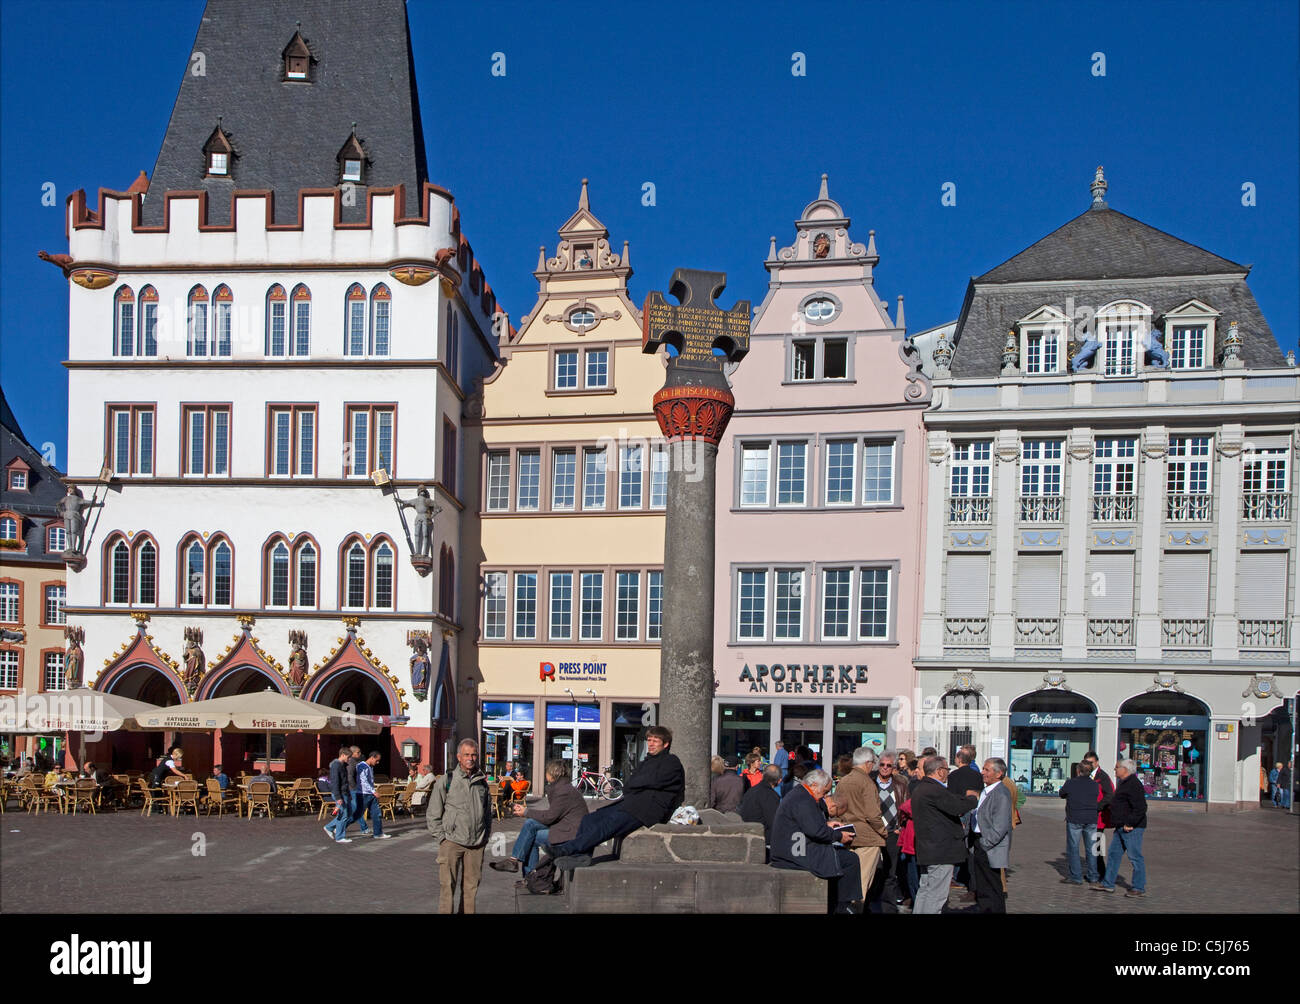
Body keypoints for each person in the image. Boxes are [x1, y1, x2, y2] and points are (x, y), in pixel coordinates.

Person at [548, 726, 683, 861]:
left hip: (646, 810)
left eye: (656, 741)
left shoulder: (671, 762)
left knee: (607, 826)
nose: (651, 744)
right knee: (589, 819)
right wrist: (638, 784)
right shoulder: (646, 761)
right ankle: (581, 857)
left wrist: (637, 784)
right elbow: (630, 784)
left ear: (665, 744)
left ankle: (565, 849)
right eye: (649, 740)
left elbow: (651, 781)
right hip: (631, 804)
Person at [769, 768, 861, 913]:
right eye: (824, 792)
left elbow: (810, 825)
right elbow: (816, 831)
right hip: (795, 852)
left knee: (840, 857)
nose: (824, 797)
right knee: (850, 859)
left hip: (794, 848)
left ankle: (840, 903)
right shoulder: (803, 799)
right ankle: (842, 906)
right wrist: (839, 836)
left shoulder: (800, 794)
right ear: (813, 785)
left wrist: (827, 826)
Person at [489, 759, 587, 876]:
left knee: (533, 837)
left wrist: (526, 812)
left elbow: (550, 817)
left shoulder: (563, 791)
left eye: (546, 771)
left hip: (571, 834)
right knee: (530, 824)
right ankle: (515, 862)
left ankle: (527, 873)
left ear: (552, 773)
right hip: (566, 827)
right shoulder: (563, 788)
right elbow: (553, 814)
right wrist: (526, 812)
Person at [428, 739, 492, 913]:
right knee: (447, 887)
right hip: (451, 842)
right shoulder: (447, 780)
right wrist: (441, 838)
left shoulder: (482, 782)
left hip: (476, 844)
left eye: (473, 754)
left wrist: (485, 836)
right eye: (466, 755)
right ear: (458, 757)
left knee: (471, 889)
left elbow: (487, 813)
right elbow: (433, 812)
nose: (470, 758)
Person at [910, 755, 978, 914]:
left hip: (929, 849)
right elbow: (956, 806)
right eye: (946, 770)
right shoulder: (934, 789)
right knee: (936, 895)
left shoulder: (922, 788)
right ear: (940, 771)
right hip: (940, 851)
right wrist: (972, 798)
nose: (948, 773)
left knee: (926, 890)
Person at [831, 747, 889, 905]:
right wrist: (883, 831)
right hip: (867, 838)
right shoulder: (867, 783)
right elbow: (872, 814)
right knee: (861, 884)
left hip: (848, 834)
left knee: (849, 881)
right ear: (868, 763)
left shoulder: (843, 781)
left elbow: (837, 808)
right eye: (874, 763)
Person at [1094, 759, 1147, 897]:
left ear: (1125, 769)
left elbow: (1141, 808)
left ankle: (1138, 887)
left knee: (1135, 857)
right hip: (1120, 826)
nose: (1114, 769)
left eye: (1117, 767)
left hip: (1131, 827)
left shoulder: (1133, 784)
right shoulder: (1124, 783)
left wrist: (1130, 823)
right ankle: (1108, 883)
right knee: (1113, 854)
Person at [970, 758, 1012, 913]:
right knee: (983, 885)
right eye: (983, 769)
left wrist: (985, 844)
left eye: (987, 770)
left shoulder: (1000, 793)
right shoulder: (986, 790)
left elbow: (1000, 826)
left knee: (992, 885)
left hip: (988, 845)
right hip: (979, 841)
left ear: (998, 773)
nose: (982, 772)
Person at [870, 751, 909, 907]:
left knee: (891, 872)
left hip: (893, 832)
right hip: (874, 832)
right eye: (882, 765)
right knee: (874, 869)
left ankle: (888, 906)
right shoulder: (870, 783)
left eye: (889, 765)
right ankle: (872, 902)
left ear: (893, 768)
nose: (885, 768)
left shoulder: (901, 784)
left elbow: (906, 807)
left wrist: (902, 827)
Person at [1059, 761, 1100, 884]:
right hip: (1091, 819)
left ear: (1078, 771)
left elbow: (1061, 794)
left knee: (1073, 848)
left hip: (1075, 818)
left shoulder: (1071, 783)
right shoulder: (1094, 784)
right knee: (1092, 849)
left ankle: (1076, 876)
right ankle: (1093, 875)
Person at [1082, 751, 1114, 879]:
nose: (1089, 765)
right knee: (1092, 846)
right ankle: (1095, 872)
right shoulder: (1086, 776)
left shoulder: (1103, 776)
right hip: (1089, 816)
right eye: (1086, 762)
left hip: (1098, 818)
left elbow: (1110, 795)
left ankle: (1100, 873)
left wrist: (1098, 807)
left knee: (1097, 847)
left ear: (1097, 763)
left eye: (1091, 763)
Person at [739, 763, 782, 852]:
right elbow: (773, 821)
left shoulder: (751, 791)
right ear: (779, 780)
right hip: (763, 839)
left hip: (747, 834)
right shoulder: (771, 795)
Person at [354, 751, 391, 840]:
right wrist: (373, 791)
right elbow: (363, 781)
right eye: (377, 760)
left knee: (376, 813)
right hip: (363, 794)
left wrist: (373, 791)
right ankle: (337, 826)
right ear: (372, 758)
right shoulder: (361, 766)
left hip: (371, 794)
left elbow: (370, 781)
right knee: (357, 814)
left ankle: (378, 833)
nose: (377, 763)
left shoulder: (370, 767)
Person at [326, 747, 353, 843]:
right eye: (348, 757)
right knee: (344, 814)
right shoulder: (336, 766)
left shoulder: (343, 765)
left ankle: (329, 827)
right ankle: (340, 837)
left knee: (348, 813)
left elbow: (345, 782)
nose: (349, 759)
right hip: (340, 793)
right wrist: (338, 797)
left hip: (344, 792)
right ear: (343, 755)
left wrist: (348, 794)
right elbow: (335, 782)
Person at [347, 746, 370, 836]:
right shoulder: (351, 762)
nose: (360, 754)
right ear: (352, 753)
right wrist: (355, 788)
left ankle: (335, 826)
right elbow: (350, 777)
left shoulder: (357, 762)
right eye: (358, 752)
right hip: (352, 789)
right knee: (357, 809)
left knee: (355, 810)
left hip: (354, 789)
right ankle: (364, 828)